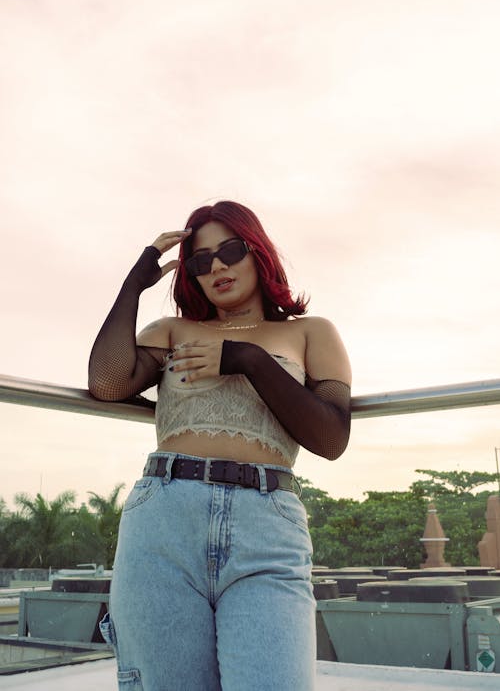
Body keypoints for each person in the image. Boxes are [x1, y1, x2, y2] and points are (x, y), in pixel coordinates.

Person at [88, 200, 351, 691]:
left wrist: (247, 358)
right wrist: (134, 283)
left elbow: (331, 437)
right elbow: (106, 382)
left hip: (267, 526)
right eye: (200, 261)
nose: (217, 267)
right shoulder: (174, 331)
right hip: (163, 520)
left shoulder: (311, 333)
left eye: (229, 250)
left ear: (258, 252)